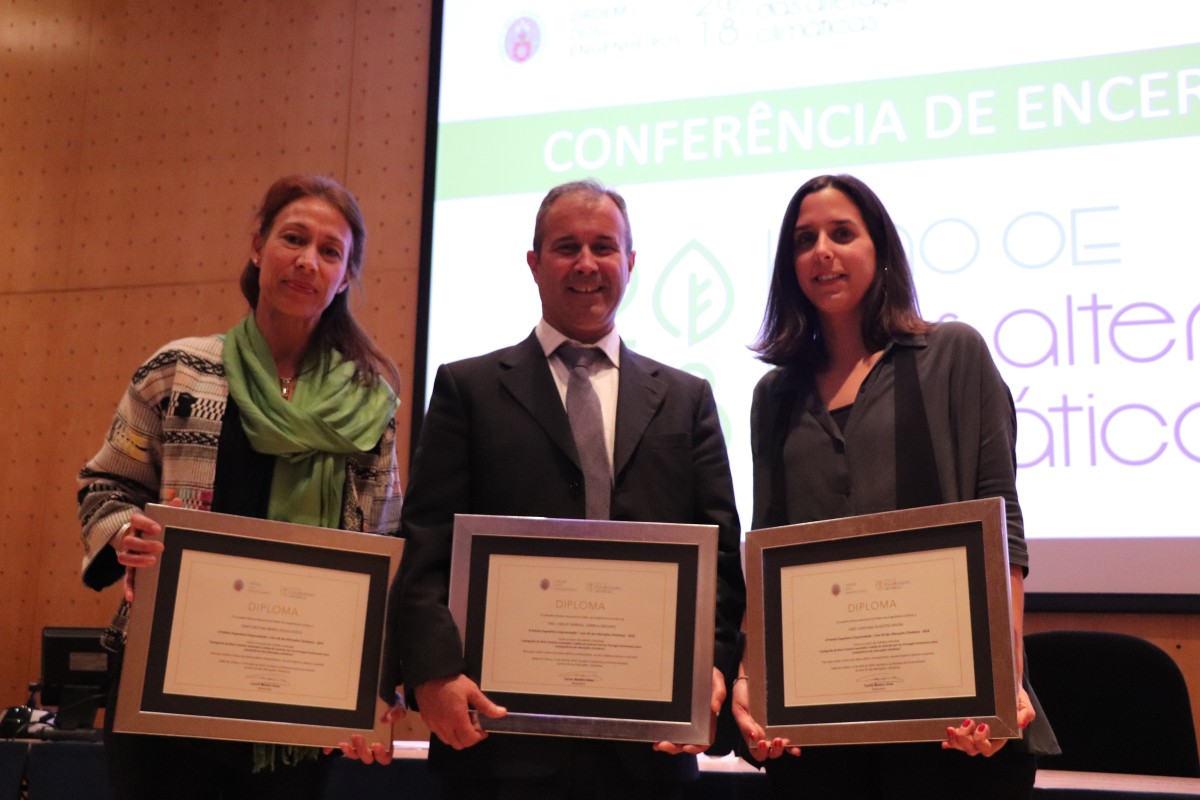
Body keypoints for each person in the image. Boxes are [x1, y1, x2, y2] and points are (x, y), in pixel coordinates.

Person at [378, 179, 745, 799]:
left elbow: (722, 559)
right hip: (499, 743)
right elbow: (425, 548)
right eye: (565, 246)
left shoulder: (687, 401)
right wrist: (433, 675)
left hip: (649, 744)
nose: (585, 264)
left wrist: (708, 668)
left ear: (630, 263)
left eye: (604, 247)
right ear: (534, 263)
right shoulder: (468, 389)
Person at [731, 174, 1059, 799]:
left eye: (841, 233)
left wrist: (1004, 681)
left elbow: (1002, 526)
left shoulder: (953, 355)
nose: (821, 251)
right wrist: (753, 681)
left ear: (880, 249)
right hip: (819, 727)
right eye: (804, 240)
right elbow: (767, 548)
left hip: (951, 717)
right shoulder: (773, 395)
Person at [76, 174, 403, 800]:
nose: (308, 261)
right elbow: (105, 483)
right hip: (164, 677)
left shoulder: (369, 403)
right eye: (293, 239)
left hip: (302, 689)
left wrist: (374, 680)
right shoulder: (179, 369)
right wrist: (128, 534)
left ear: (344, 276)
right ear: (258, 247)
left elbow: (382, 546)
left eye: (330, 252)